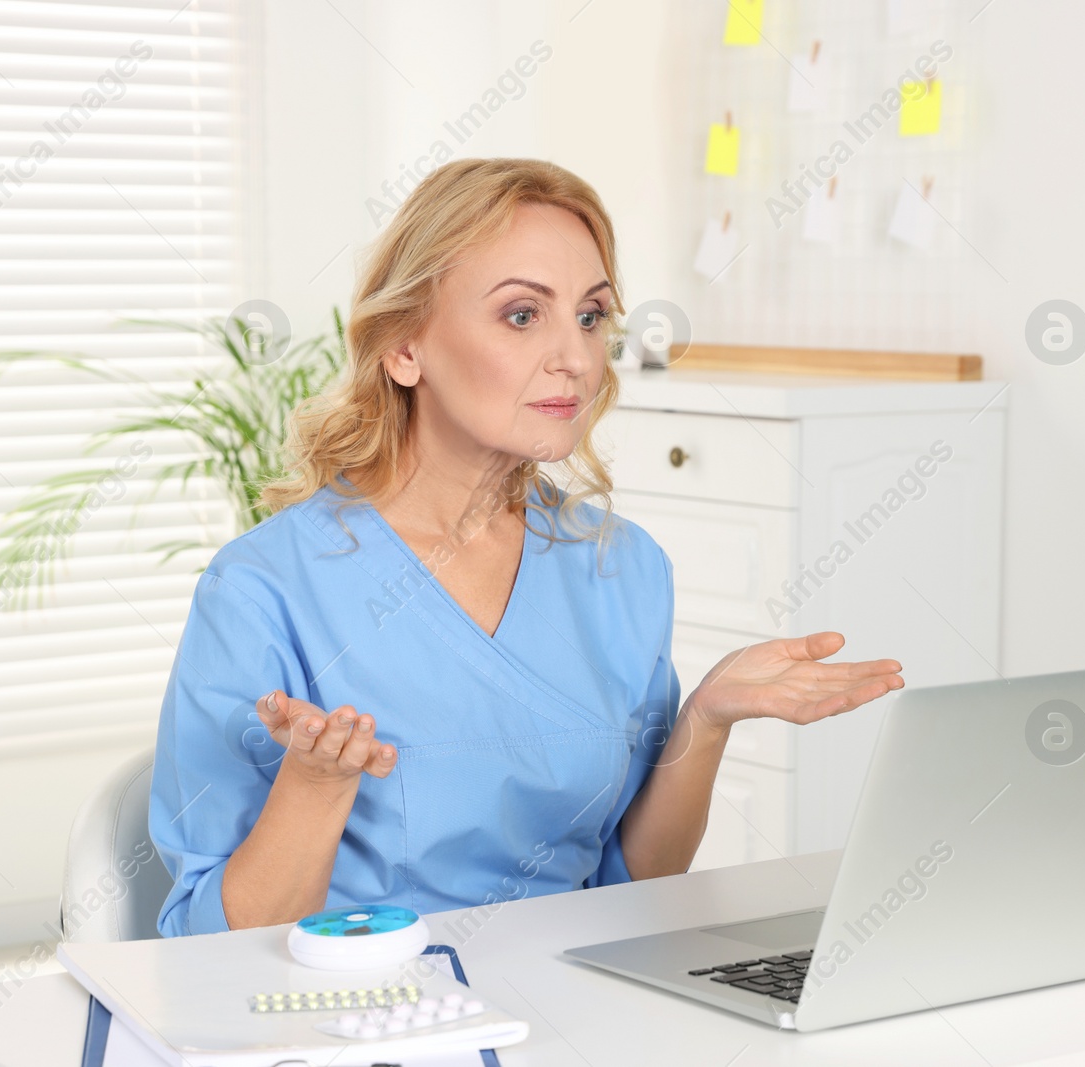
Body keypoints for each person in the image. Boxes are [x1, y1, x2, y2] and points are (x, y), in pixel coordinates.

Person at [149, 158, 904, 936]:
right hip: (365, 1018)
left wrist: (706, 718)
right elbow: (208, 946)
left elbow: (634, 879)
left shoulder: (623, 568)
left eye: (590, 316)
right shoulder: (260, 590)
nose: (576, 358)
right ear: (405, 348)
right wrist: (313, 786)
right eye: (521, 315)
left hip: (578, 1004)